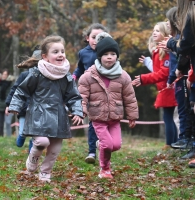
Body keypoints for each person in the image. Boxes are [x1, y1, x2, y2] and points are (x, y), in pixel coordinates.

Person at [8, 35, 84, 182]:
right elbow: (22, 90)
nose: (60, 54)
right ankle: (32, 160)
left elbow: (74, 96)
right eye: (55, 52)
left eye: (62, 51)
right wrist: (15, 105)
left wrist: (77, 111)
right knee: (42, 142)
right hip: (38, 115)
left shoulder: (66, 76)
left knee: (54, 150)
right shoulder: (36, 73)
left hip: (58, 117)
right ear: (45, 56)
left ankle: (45, 172)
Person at [78, 36, 138, 179]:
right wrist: (81, 111)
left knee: (115, 145)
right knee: (108, 145)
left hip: (115, 117)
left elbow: (129, 98)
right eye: (105, 54)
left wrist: (132, 116)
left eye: (112, 54)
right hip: (97, 116)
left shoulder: (123, 76)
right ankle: (105, 169)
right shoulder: (88, 76)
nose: (109, 57)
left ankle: (102, 145)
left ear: (117, 56)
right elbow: (82, 96)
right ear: (99, 56)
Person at [132, 22, 178, 149]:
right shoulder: (157, 51)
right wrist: (147, 64)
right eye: (153, 30)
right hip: (164, 88)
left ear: (165, 34)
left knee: (168, 117)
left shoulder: (166, 52)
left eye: (157, 30)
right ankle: (174, 143)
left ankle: (170, 144)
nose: (154, 33)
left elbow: (163, 73)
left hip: (168, 88)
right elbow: (156, 70)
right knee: (168, 116)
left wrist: (143, 78)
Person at [160, 0, 195, 162]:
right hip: (191, 72)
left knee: (188, 110)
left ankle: (189, 141)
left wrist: (171, 43)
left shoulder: (190, 14)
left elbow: (185, 47)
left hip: (187, 74)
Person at [72, 23, 109, 164]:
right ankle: (92, 152)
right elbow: (79, 68)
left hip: (106, 91)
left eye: (100, 38)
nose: (96, 40)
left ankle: (104, 144)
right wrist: (74, 76)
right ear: (87, 38)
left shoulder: (107, 52)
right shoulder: (83, 53)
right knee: (93, 122)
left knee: (104, 121)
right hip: (90, 91)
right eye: (94, 37)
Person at [5, 48, 41, 151]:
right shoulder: (25, 75)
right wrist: (9, 104)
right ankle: (21, 136)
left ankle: (31, 153)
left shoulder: (47, 77)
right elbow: (15, 89)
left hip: (38, 110)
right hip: (24, 109)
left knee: (35, 134)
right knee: (23, 131)